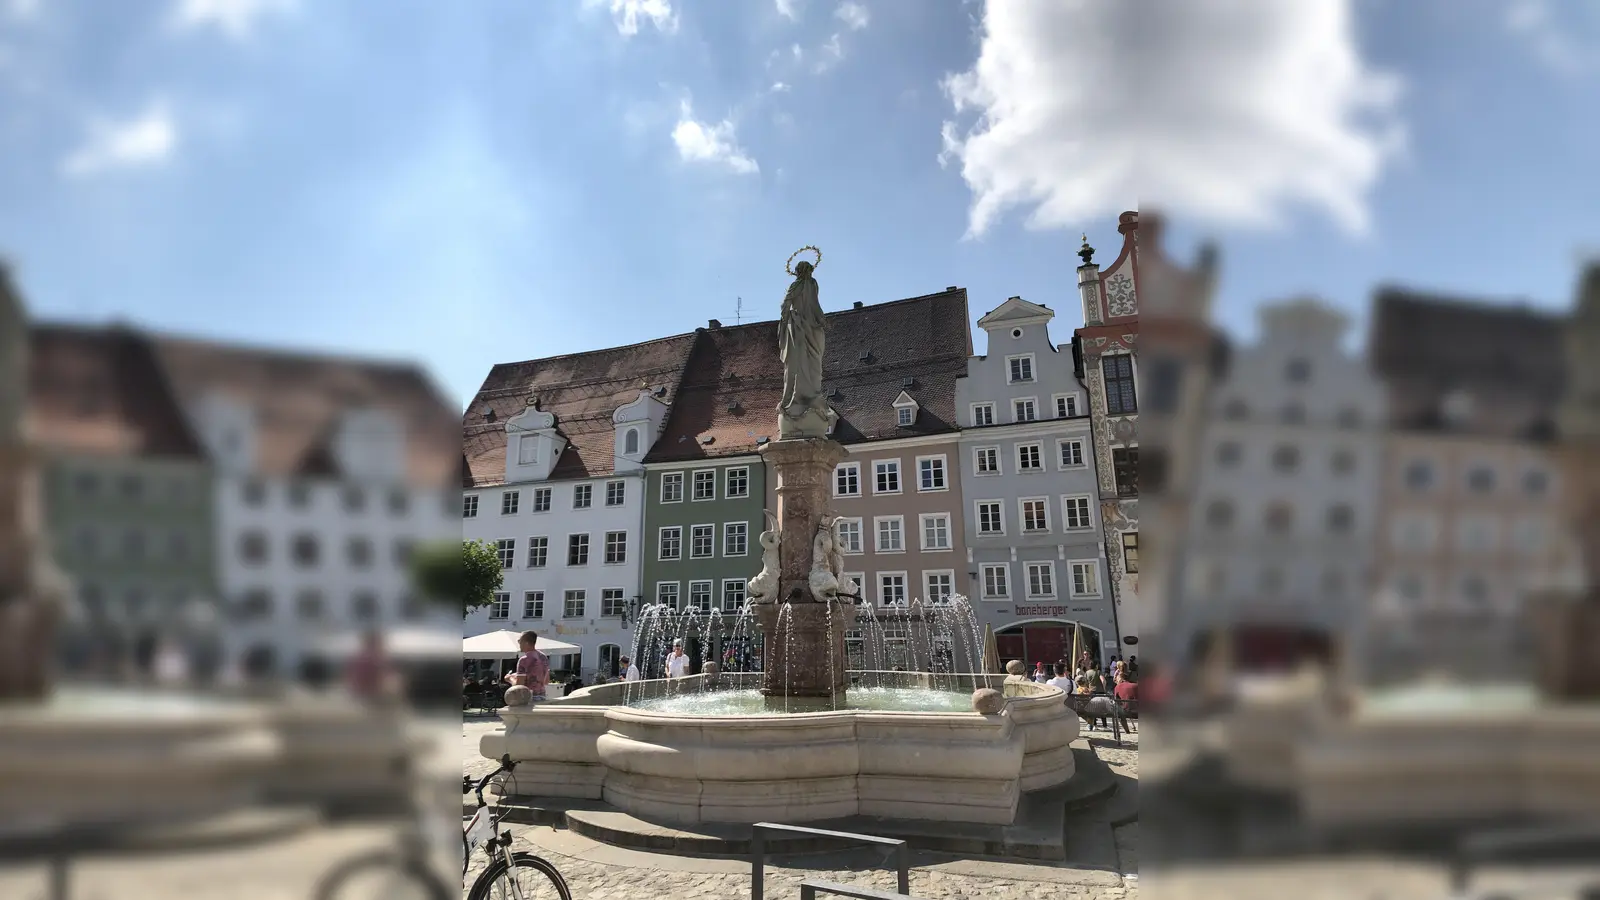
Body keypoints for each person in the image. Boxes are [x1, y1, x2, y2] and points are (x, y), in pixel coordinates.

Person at [345, 630, 400, 703]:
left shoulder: (359, 657)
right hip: (368, 695)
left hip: (358, 693)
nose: (382, 645)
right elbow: (382, 680)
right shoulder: (375, 658)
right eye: (380, 642)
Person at [504, 630, 550, 701]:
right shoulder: (543, 657)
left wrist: (509, 679)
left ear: (526, 643)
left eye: (520, 641)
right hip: (542, 696)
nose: (519, 644)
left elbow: (519, 687)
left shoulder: (524, 660)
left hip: (528, 698)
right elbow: (546, 681)